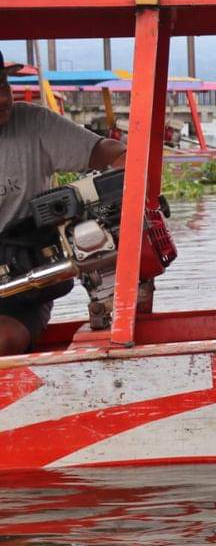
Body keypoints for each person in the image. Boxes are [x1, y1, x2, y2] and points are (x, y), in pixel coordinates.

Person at [0, 52, 126, 353]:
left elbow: (111, 153)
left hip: (22, 287)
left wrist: (128, 175)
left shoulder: (33, 124)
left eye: (2, 85)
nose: (3, 99)